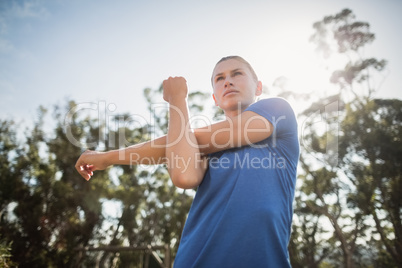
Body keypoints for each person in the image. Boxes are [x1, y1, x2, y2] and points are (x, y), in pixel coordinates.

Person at [75, 56, 299, 267]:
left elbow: (187, 139)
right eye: (219, 78)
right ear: (215, 98)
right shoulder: (194, 146)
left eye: (237, 73)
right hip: (195, 258)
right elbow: (184, 175)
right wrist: (178, 100)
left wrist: (106, 157)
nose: (228, 81)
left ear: (258, 87)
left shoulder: (278, 111)